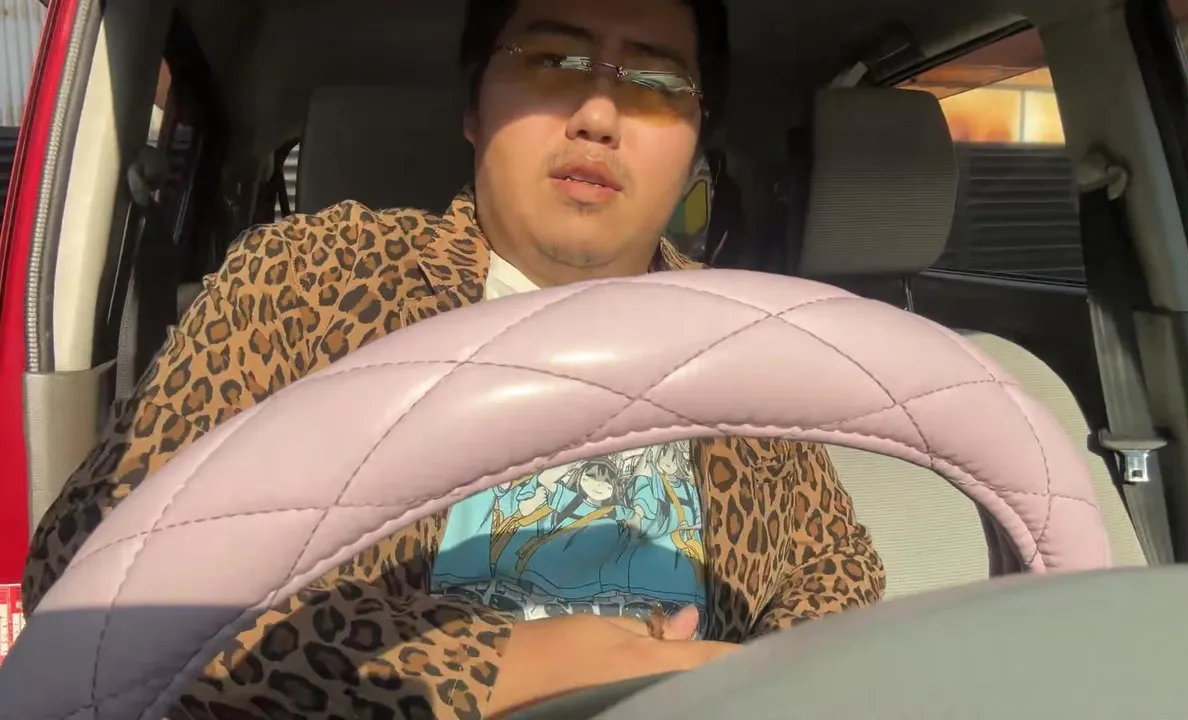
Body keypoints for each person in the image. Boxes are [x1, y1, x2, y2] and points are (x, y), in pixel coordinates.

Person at [23, 0, 886, 717]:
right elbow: (91, 564)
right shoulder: (307, 280)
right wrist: (489, 668)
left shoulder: (741, 338)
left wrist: (746, 688)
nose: (598, 115)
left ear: (697, 143)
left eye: (657, 82)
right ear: (474, 109)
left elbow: (837, 567)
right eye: (553, 60)